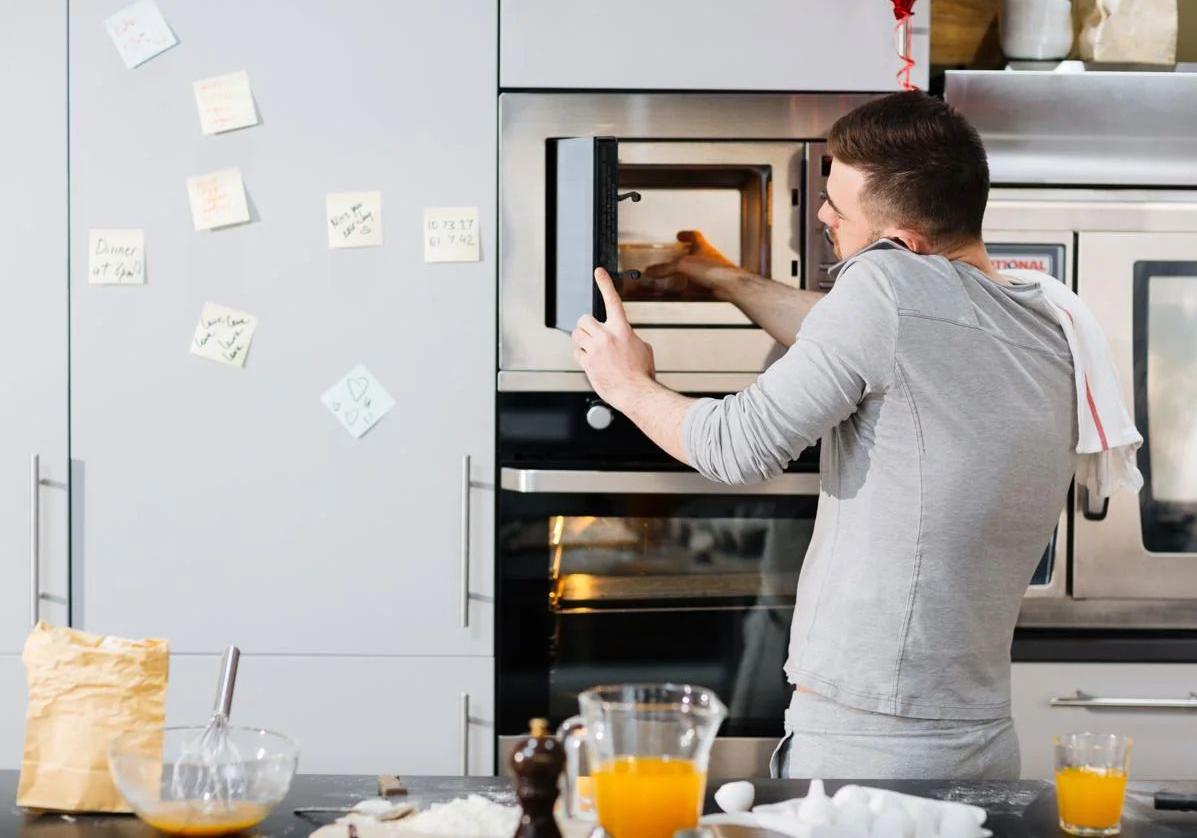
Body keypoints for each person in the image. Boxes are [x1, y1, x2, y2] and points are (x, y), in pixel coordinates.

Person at [570, 91, 1080, 780]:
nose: (820, 215)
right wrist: (719, 275)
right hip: (980, 733)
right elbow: (848, 329)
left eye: (838, 212)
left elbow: (735, 446)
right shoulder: (1039, 319)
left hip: (872, 745)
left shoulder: (888, 290)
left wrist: (625, 383)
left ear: (907, 248)